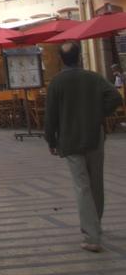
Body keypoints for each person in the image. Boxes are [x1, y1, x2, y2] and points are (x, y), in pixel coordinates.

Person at [44, 41, 122, 252]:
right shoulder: (93, 77)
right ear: (79, 57)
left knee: (82, 186)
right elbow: (115, 97)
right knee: (96, 183)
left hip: (70, 139)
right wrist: (99, 113)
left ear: (61, 59)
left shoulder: (57, 82)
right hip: (94, 136)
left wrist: (51, 140)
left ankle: (91, 236)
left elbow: (50, 116)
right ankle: (96, 225)